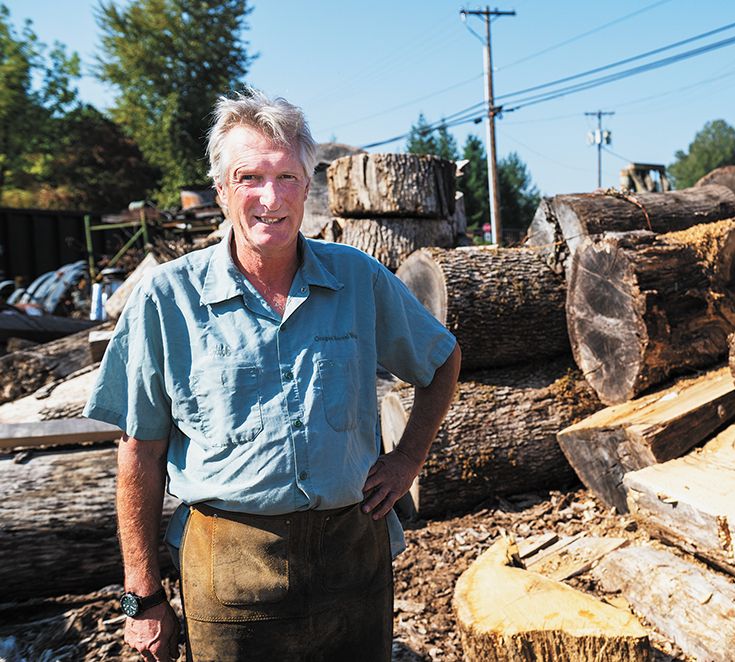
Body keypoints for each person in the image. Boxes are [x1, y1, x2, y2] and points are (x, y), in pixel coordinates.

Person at [84, 88, 460, 662]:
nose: (270, 197)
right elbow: (140, 451)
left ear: (308, 188)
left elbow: (441, 361)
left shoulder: (357, 278)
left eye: (287, 177)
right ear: (220, 192)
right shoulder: (168, 299)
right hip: (229, 568)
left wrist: (408, 458)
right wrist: (143, 596)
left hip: (353, 558)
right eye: (249, 177)